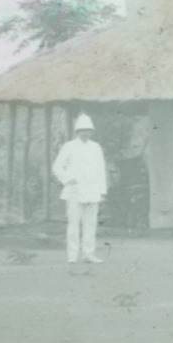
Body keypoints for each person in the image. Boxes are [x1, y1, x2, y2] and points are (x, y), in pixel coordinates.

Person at [51, 113, 109, 265]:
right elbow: (57, 167)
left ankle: (89, 254)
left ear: (92, 131)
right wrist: (67, 178)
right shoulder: (69, 146)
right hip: (75, 191)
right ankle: (72, 255)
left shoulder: (96, 147)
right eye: (82, 130)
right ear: (77, 131)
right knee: (73, 224)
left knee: (90, 224)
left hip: (92, 191)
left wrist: (102, 191)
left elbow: (101, 170)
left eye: (88, 130)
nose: (85, 133)